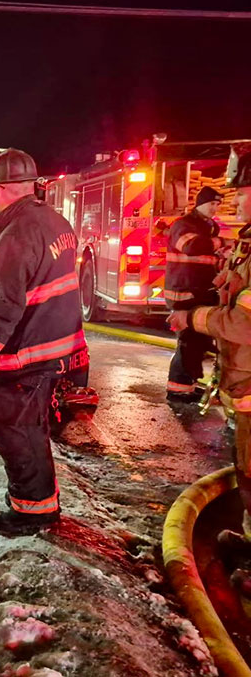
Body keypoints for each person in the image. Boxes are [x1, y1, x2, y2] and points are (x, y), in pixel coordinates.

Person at [0, 148, 88, 536]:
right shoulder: (53, 219)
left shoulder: (16, 233)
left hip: (26, 355)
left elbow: (2, 307)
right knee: (33, 429)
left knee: (14, 431)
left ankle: (33, 512)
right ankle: (38, 502)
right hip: (57, 348)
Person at [168, 150, 251, 587]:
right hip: (187, 297)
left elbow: (245, 322)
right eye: (222, 199)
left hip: (206, 318)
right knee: (247, 468)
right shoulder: (196, 228)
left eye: (239, 194)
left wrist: (201, 314)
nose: (230, 203)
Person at [164, 186, 224, 402]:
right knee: (188, 342)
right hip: (183, 294)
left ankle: (187, 384)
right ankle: (177, 389)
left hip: (199, 293)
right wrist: (221, 243)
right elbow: (191, 246)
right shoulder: (184, 225)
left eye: (218, 205)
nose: (215, 209)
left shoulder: (208, 227)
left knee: (197, 342)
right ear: (200, 203)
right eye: (212, 204)